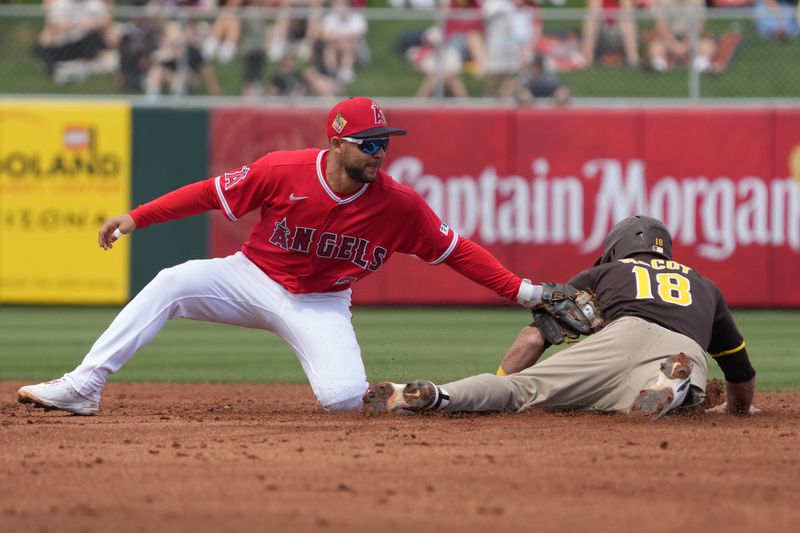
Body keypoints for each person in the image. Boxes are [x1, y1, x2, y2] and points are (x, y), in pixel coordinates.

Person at [17, 97, 547, 416]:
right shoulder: (283, 169)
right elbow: (208, 193)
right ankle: (84, 386)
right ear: (337, 144)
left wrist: (522, 291)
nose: (379, 152)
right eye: (368, 143)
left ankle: (402, 395)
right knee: (172, 281)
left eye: (384, 142)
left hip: (321, 302)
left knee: (341, 401)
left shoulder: (399, 205)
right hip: (250, 278)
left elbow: (457, 251)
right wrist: (137, 217)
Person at [363, 215, 757, 420]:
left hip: (616, 337)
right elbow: (740, 372)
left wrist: (502, 386)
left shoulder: (604, 274)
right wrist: (738, 408)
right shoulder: (704, 285)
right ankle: (676, 384)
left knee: (521, 392)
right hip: (683, 347)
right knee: (642, 401)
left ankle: (434, 394)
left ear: (616, 248)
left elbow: (532, 338)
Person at [646, 0, 717, 73]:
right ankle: (659, 66)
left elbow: (699, 27)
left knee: (707, 45)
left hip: (690, 37)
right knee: (655, 46)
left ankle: (702, 66)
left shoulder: (698, 2)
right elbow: (661, 27)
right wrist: (674, 44)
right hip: (668, 37)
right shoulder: (661, 2)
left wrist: (686, 45)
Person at [580, 0, 640, 68]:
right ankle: (587, 56)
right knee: (593, 14)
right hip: (602, 36)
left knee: (627, 19)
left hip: (619, 36)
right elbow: (592, 17)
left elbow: (628, 18)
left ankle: (632, 58)